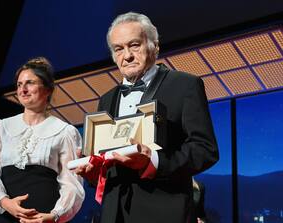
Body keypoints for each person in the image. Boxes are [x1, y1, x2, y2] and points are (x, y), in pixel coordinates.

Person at [75, 12, 219, 223]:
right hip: (113, 214)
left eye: (134, 45)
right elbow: (108, 164)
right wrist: (93, 173)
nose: (127, 55)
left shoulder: (185, 85)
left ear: (155, 46)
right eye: (119, 49)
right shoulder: (106, 99)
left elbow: (205, 150)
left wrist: (153, 161)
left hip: (164, 212)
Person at [0, 57, 85, 223]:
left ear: (48, 89)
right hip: (3, 215)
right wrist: (6, 203)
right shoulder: (0, 128)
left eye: (30, 83)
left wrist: (55, 215)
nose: (23, 89)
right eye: (19, 84)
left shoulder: (65, 132)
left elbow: (71, 184)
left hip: (41, 217)